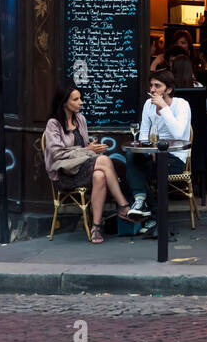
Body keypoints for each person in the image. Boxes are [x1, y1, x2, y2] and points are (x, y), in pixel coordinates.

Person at [43, 83, 141, 244]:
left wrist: (92, 147)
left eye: (80, 98)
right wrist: (88, 149)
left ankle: (96, 227)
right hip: (65, 174)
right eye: (76, 99)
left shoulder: (80, 119)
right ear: (64, 102)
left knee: (99, 175)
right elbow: (57, 153)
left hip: (82, 168)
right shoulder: (53, 124)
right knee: (103, 160)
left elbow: (83, 148)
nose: (81, 102)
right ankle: (124, 206)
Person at [111, 70, 193, 220]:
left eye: (157, 86)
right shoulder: (148, 104)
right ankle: (142, 202)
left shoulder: (182, 105)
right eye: (151, 86)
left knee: (136, 172)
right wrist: (149, 152)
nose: (153, 90)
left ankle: (152, 214)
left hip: (175, 158)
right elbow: (143, 134)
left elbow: (179, 134)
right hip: (153, 154)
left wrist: (164, 108)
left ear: (169, 90)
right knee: (132, 157)